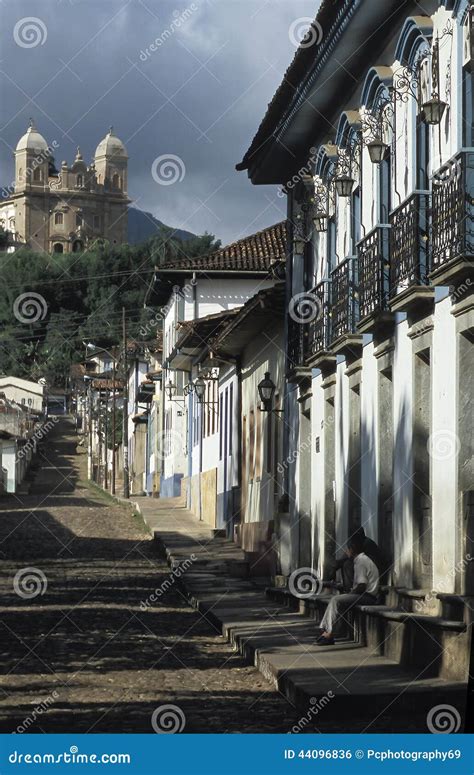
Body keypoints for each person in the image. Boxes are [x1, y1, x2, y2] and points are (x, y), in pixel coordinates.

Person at [317, 533, 379, 646]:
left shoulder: (361, 562)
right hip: (365, 595)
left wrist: (351, 592)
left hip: (368, 596)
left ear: (352, 549)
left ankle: (328, 633)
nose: (346, 551)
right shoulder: (361, 560)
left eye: (347, 549)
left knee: (336, 600)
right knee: (337, 600)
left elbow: (362, 585)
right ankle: (326, 630)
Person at [332, 526, 384, 591]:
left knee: (347, 565)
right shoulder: (357, 542)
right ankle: (348, 588)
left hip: (375, 571)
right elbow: (347, 555)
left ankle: (349, 589)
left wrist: (339, 563)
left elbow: (352, 556)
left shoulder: (366, 543)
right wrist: (337, 564)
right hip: (365, 571)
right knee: (345, 563)